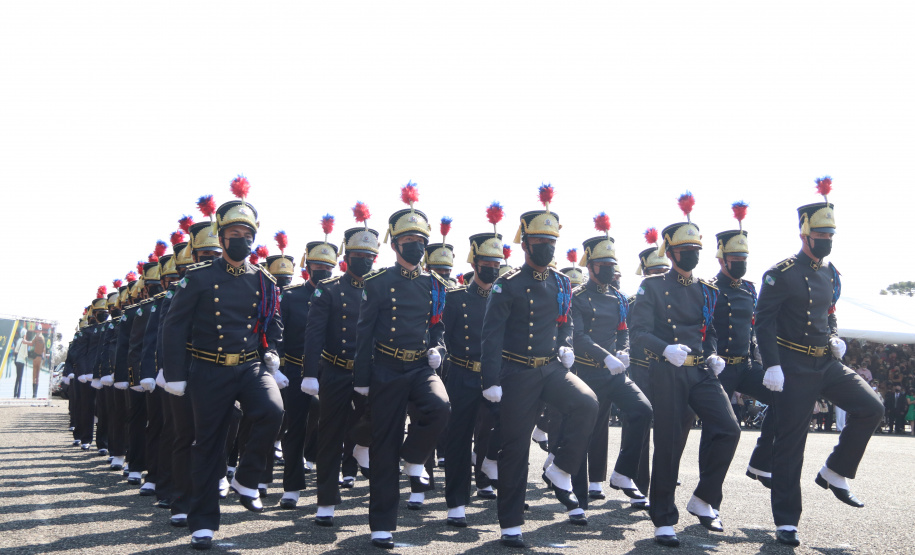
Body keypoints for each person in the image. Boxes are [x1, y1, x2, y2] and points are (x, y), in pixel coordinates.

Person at [754, 177, 884, 547]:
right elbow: (762, 321)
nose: (826, 240)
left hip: (825, 363)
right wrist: (771, 364)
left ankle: (834, 470)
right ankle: (786, 520)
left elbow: (829, 314)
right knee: (791, 443)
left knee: (870, 408)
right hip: (792, 366)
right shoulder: (780, 274)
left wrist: (833, 336)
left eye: (831, 234)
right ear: (805, 234)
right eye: (821, 234)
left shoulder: (830, 273)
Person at [161, 176, 285, 550]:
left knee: (273, 411)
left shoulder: (263, 281)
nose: (240, 238)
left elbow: (274, 324)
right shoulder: (199, 278)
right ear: (221, 234)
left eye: (246, 232)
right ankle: (202, 523)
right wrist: (175, 373)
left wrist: (274, 350)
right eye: (233, 231)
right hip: (208, 366)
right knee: (208, 444)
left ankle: (246, 478)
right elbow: (174, 325)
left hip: (249, 365)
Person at [479, 185, 598, 548]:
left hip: (551, 368)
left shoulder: (563, 282)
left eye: (552, 241)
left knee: (587, 403)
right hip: (516, 373)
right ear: (525, 244)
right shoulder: (507, 285)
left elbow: (567, 322)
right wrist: (491, 379)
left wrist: (566, 343)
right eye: (540, 241)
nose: (547, 247)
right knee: (515, 448)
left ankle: (559, 468)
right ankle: (511, 523)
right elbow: (490, 336)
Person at [630, 192, 740, 547]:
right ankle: (663, 517)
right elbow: (639, 331)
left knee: (728, 429)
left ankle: (704, 498)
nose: (691, 254)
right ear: (671, 251)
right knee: (669, 442)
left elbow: (709, 331)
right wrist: (664, 348)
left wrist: (713, 355)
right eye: (684, 249)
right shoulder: (653, 285)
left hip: (701, 373)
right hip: (668, 370)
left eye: (695, 248)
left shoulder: (707, 290)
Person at [352, 183, 451, 549]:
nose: (417, 245)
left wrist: (438, 347)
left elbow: (437, 326)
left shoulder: (434, 284)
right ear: (394, 244)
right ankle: (382, 525)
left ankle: (415, 458)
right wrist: (361, 381)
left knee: (441, 408)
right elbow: (364, 335)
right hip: (386, 369)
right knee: (383, 445)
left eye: (420, 238)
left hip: (421, 367)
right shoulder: (378, 283)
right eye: (409, 238)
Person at [566, 213, 653, 525]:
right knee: (583, 434)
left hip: (614, 372)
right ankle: (577, 501)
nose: (609, 270)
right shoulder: (577, 297)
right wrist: (605, 356)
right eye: (603, 265)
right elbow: (577, 336)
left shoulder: (617, 297)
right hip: (587, 373)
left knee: (643, 410)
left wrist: (624, 350)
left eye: (612, 265)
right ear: (590, 266)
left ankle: (622, 473)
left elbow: (623, 329)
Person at [303, 203, 379, 525]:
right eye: (359, 255)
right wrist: (310, 374)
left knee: (379, 425)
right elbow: (314, 334)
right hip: (335, 370)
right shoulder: (329, 291)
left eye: (370, 256)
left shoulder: (380, 288)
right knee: (330, 435)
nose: (365, 261)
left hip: (370, 372)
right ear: (347, 255)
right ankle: (326, 502)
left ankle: (362, 452)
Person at [441, 205, 506, 528]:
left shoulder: (505, 297)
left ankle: (491, 471)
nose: (493, 269)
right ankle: (456, 503)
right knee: (458, 438)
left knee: (507, 427)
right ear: (475, 264)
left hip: (497, 375)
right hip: (463, 373)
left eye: (497, 264)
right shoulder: (454, 299)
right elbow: (443, 336)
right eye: (487, 264)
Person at [708, 204, 777, 492]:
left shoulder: (750, 288)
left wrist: (766, 364)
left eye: (744, 257)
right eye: (735, 257)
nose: (740, 261)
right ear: (722, 258)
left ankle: (760, 463)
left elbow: (755, 328)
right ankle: (709, 493)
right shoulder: (708, 288)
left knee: (786, 399)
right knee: (719, 430)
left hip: (746, 364)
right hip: (719, 367)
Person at [277, 223, 337, 509]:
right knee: (295, 426)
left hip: (330, 369)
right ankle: (291, 487)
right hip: (295, 368)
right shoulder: (291, 296)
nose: (322, 271)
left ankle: (326, 482)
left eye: (327, 266)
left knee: (332, 425)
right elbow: (279, 333)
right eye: (316, 265)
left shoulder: (337, 294)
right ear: (307, 265)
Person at [622, 228, 672, 511]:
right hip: (642, 369)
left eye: (663, 269)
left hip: (667, 370)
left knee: (667, 427)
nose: (659, 274)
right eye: (654, 270)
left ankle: (661, 481)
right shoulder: (634, 300)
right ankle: (639, 485)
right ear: (644, 272)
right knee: (639, 429)